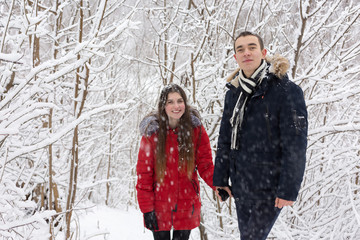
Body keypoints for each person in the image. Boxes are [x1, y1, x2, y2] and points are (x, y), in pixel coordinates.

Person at [213, 31, 308, 240]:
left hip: (269, 187)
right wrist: (220, 177)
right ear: (235, 57)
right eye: (240, 49)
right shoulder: (234, 93)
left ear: (263, 53)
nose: (246, 53)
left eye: (251, 47)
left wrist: (288, 189)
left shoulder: (286, 91)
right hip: (241, 184)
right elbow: (225, 137)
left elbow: (296, 144)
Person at [136, 83, 215, 240]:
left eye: (179, 101)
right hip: (159, 206)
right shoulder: (152, 133)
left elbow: (206, 165)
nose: (176, 106)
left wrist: (220, 185)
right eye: (170, 102)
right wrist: (147, 210)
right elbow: (143, 174)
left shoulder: (195, 129)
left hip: (187, 203)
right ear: (163, 106)